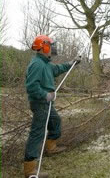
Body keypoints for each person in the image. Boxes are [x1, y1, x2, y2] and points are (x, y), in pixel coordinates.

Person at [24, 35, 81, 178]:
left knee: (55, 121)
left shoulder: (46, 63)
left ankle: (51, 147)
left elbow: (58, 69)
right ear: (44, 47)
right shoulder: (37, 64)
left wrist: (72, 63)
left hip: (47, 103)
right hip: (40, 102)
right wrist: (45, 95)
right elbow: (31, 87)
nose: (53, 48)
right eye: (51, 45)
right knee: (37, 133)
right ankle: (30, 168)